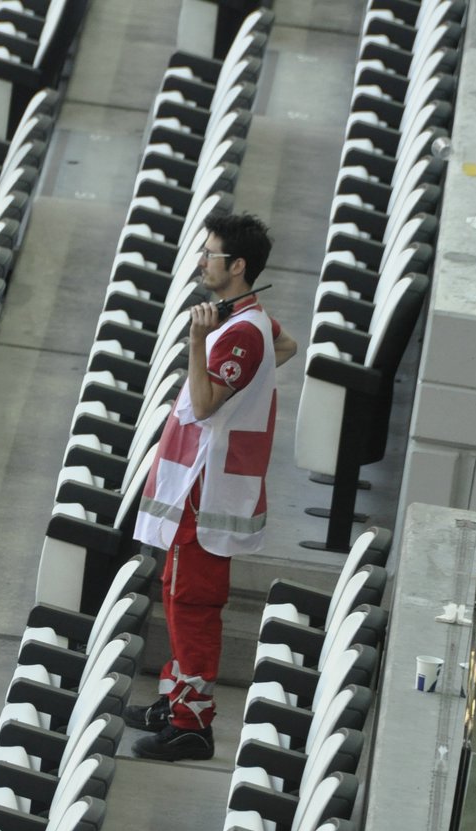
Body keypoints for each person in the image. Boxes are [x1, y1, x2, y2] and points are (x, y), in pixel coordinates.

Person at [118, 214, 299, 762]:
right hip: (199, 482)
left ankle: (193, 724)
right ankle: (175, 698)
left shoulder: (240, 329)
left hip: (209, 489)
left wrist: (198, 340)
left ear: (237, 266)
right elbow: (285, 345)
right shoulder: (252, 323)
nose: (201, 262)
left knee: (191, 602)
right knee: (177, 590)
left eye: (210, 254)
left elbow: (202, 404)